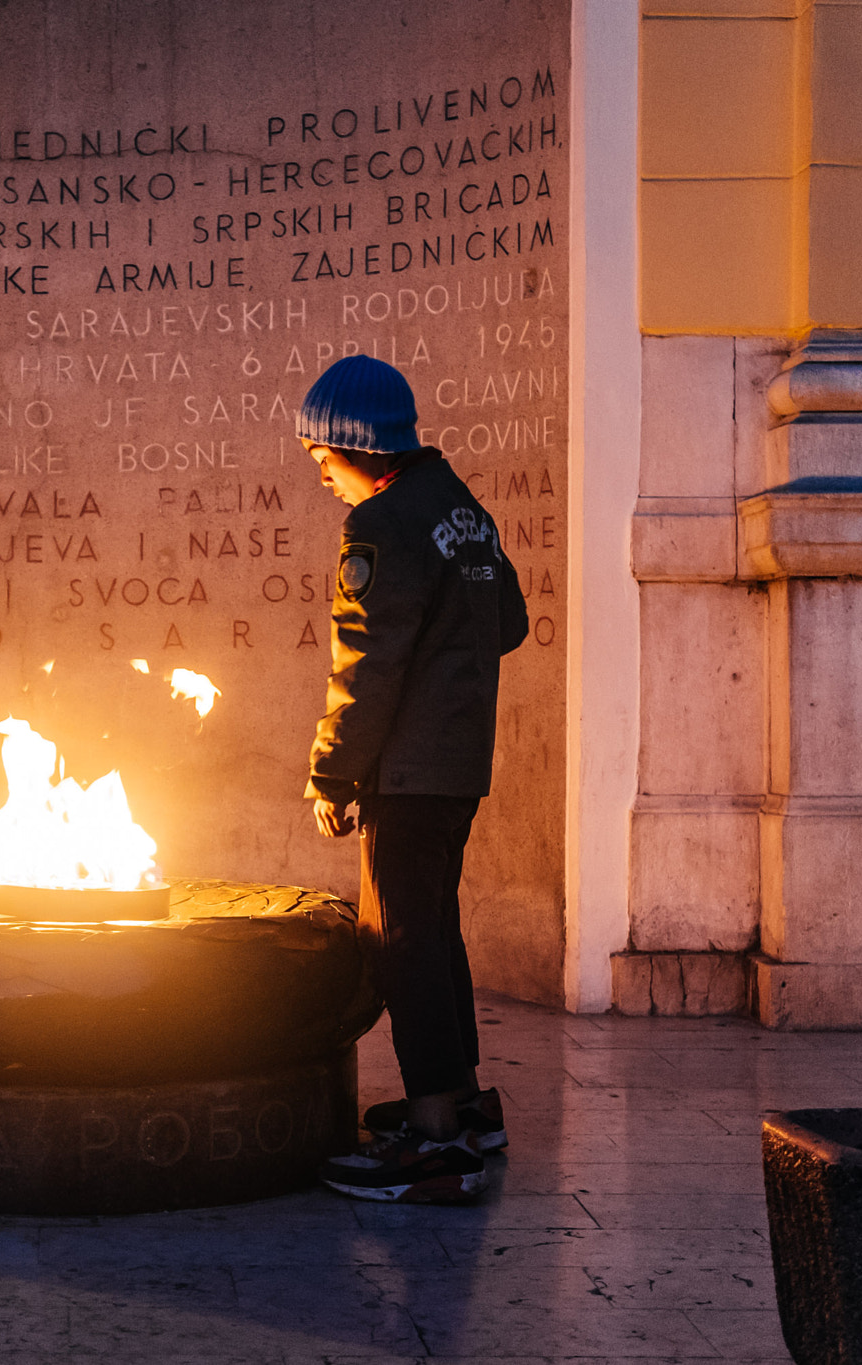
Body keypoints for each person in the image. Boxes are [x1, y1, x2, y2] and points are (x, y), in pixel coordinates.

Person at [296, 355, 529, 1204]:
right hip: (460, 765)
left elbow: (365, 669)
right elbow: (509, 622)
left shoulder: (383, 527)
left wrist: (332, 771)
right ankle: (467, 1106)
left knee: (404, 945)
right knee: (436, 931)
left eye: (322, 450)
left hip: (406, 768)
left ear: (358, 442)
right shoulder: (462, 511)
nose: (318, 467)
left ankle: (435, 1139)